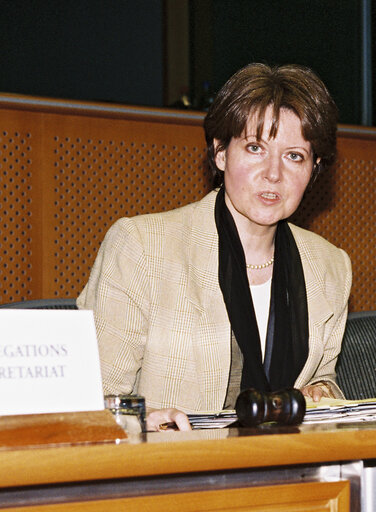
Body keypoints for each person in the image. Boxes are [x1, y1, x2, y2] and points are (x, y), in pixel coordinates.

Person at [78, 63, 352, 431]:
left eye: (294, 156)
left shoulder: (330, 266)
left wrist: (322, 389)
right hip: (173, 471)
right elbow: (91, 400)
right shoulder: (142, 247)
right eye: (255, 148)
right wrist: (141, 421)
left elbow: (323, 378)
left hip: (290, 470)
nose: (274, 173)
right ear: (221, 152)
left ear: (313, 168)